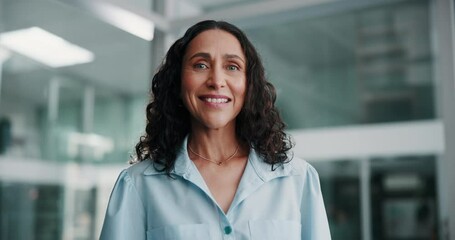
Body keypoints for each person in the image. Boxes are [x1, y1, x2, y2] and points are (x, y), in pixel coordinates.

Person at [100, 20, 331, 240]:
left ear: (248, 85)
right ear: (178, 83)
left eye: (232, 66)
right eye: (201, 65)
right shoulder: (138, 185)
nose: (217, 80)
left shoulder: (298, 179)